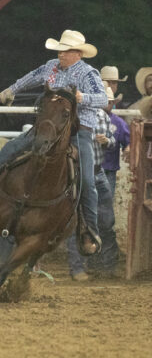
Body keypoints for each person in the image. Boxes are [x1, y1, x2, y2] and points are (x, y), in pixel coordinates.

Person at [0, 29, 107, 255]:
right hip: (47, 129)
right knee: (11, 148)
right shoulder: (50, 67)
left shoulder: (88, 74)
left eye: (65, 51)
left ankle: (89, 231)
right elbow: (30, 77)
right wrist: (11, 90)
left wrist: (81, 97)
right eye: (60, 51)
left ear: (78, 54)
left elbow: (103, 98)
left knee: (87, 179)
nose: (61, 54)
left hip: (78, 131)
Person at [66, 92, 118, 280]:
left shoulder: (103, 116)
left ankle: (105, 265)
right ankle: (77, 268)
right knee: (78, 221)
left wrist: (108, 141)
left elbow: (112, 141)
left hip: (98, 170)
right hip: (79, 173)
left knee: (106, 220)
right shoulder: (75, 116)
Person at [101, 85, 130, 195]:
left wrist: (128, 148)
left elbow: (129, 141)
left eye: (109, 102)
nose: (105, 105)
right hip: (91, 169)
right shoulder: (90, 119)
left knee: (107, 200)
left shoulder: (119, 123)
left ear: (113, 104)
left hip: (109, 170)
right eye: (103, 101)